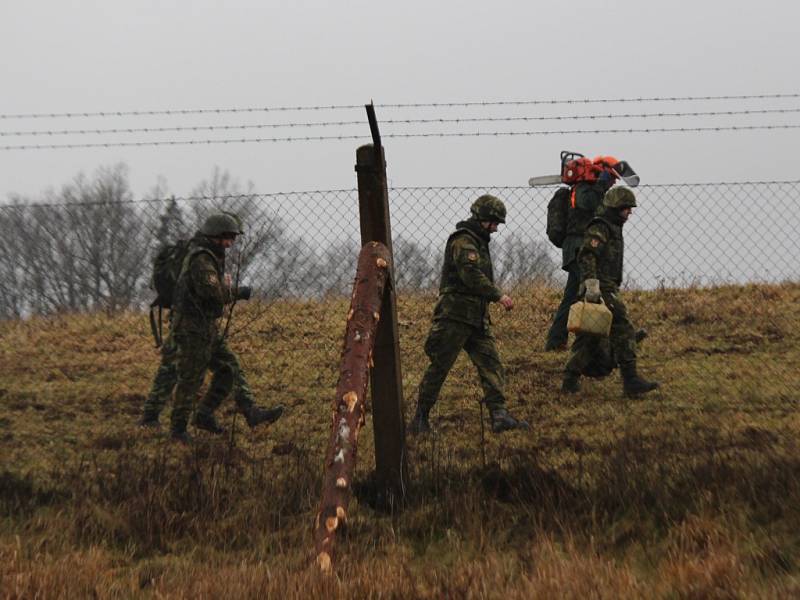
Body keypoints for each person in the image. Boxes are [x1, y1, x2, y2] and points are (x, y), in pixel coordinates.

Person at [147, 212, 284, 443]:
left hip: (205, 326)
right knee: (191, 378)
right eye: (227, 237)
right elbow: (213, 293)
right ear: (214, 235)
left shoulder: (210, 255)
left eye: (232, 238)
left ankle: (216, 413)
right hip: (192, 329)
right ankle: (178, 429)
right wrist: (238, 292)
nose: (230, 243)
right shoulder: (202, 260)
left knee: (229, 369)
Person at [408, 195, 529, 435]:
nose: (495, 228)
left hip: (476, 318)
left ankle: (500, 415)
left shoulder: (478, 241)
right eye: (494, 223)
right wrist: (498, 295)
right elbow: (470, 275)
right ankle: (420, 419)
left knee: (491, 364)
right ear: (482, 219)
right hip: (455, 316)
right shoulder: (464, 241)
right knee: (440, 367)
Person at [561, 187, 659, 396]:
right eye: (626, 209)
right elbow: (587, 255)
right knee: (622, 328)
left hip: (605, 286)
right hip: (601, 287)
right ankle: (631, 380)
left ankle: (569, 379)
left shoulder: (612, 227)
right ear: (617, 207)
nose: (629, 213)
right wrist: (592, 287)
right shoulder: (601, 227)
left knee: (590, 336)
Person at [544, 162, 617, 351]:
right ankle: (603, 341)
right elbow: (587, 204)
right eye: (611, 179)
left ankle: (557, 340)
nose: (612, 183)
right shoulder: (584, 188)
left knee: (572, 296)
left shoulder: (586, 189)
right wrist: (601, 184)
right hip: (578, 248)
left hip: (578, 247)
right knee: (592, 290)